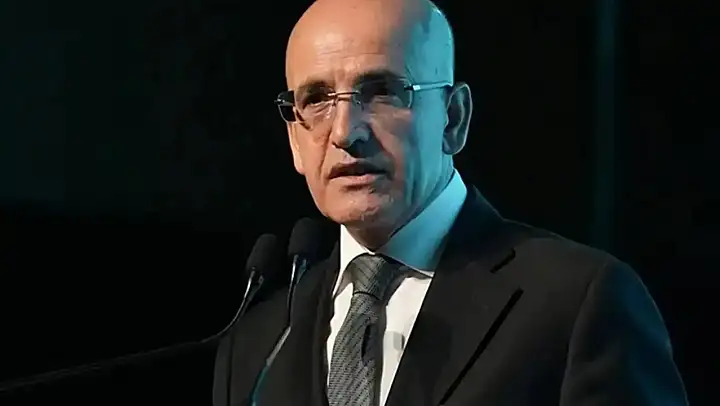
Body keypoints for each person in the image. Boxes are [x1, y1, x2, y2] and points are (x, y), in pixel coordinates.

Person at [213, 0, 688, 405]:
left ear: (453, 118)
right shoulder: (255, 347)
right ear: (294, 139)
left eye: (381, 92)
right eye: (316, 99)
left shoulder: (580, 303)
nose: (344, 133)